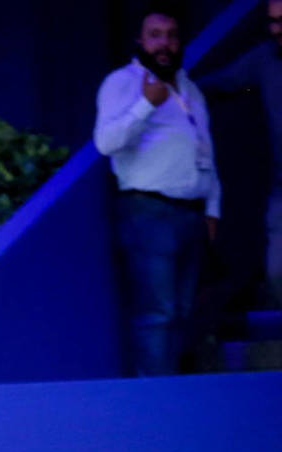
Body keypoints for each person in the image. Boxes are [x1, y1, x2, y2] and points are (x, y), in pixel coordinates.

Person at [95, 6, 221, 376]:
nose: (164, 43)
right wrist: (145, 104)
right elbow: (106, 143)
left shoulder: (191, 88)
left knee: (183, 313)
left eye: (171, 35)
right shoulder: (121, 83)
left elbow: (206, 150)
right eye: (155, 35)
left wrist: (213, 208)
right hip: (149, 214)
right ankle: (155, 403)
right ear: (140, 40)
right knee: (156, 316)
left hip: (192, 214)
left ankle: (174, 400)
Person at [200, 0, 282, 368]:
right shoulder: (264, 60)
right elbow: (225, 82)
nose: (278, 28)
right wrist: (180, 90)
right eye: (273, 22)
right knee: (280, 271)